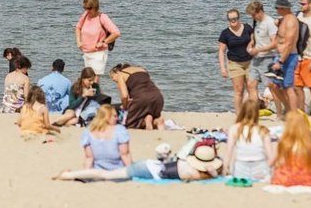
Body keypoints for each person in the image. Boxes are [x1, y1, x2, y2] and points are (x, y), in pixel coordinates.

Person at [54, 140, 223, 182]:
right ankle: (69, 175)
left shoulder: (187, 162)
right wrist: (212, 170)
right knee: (106, 175)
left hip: (149, 164)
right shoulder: (193, 173)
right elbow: (213, 177)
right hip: (145, 170)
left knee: (108, 174)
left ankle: (71, 174)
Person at [246, 0, 282, 114]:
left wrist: (258, 49)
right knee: (251, 84)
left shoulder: (270, 22)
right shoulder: (258, 23)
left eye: (253, 15)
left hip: (268, 58)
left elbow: (274, 43)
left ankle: (279, 113)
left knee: (272, 87)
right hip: (256, 58)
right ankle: (253, 111)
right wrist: (250, 44)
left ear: (260, 11)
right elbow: (255, 38)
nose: (253, 17)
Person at [224, 99, 274, 181]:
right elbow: (270, 156)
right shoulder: (263, 130)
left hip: (241, 169)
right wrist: (270, 170)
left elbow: (228, 153)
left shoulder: (234, 128)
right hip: (260, 169)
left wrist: (225, 169)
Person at [75, 0, 121, 82]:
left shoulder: (102, 17)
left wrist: (104, 41)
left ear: (95, 7)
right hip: (86, 52)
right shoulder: (85, 15)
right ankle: (95, 95)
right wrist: (78, 41)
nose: (86, 10)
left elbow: (116, 33)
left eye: (89, 8)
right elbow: (78, 27)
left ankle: (94, 95)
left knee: (94, 81)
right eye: (84, 8)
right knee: (87, 81)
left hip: (98, 53)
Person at [267, 0, 300, 114]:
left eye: (277, 8)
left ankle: (294, 114)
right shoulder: (284, 19)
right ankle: (288, 109)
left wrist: (280, 61)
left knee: (288, 88)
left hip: (288, 57)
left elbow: (290, 43)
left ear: (284, 8)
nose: (276, 10)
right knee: (273, 85)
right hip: (280, 55)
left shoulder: (291, 21)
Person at [218, 8, 254, 113]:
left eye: (235, 18)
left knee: (252, 89)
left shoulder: (247, 28)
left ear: (239, 18)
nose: (234, 21)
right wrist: (223, 68)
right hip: (235, 64)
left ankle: (252, 113)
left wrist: (251, 44)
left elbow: (254, 39)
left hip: (250, 62)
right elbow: (221, 51)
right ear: (228, 20)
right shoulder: (225, 33)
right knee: (239, 91)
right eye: (231, 19)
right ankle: (238, 115)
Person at [109, 63, 164, 130]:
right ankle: (155, 121)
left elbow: (125, 96)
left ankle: (145, 121)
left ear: (116, 72)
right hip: (158, 97)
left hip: (142, 97)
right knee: (144, 111)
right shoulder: (142, 69)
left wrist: (125, 107)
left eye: (112, 77)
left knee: (129, 123)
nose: (113, 80)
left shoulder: (121, 74)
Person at [270, 110, 311, 186]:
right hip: (305, 178)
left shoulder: (285, 142)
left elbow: (277, 162)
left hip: (287, 177)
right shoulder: (309, 142)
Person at [79, 104, 132, 170]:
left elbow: (89, 158)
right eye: (115, 116)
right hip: (118, 170)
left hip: (97, 171)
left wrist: (86, 174)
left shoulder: (88, 132)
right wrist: (132, 172)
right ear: (107, 117)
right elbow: (125, 155)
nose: (117, 118)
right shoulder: (119, 130)